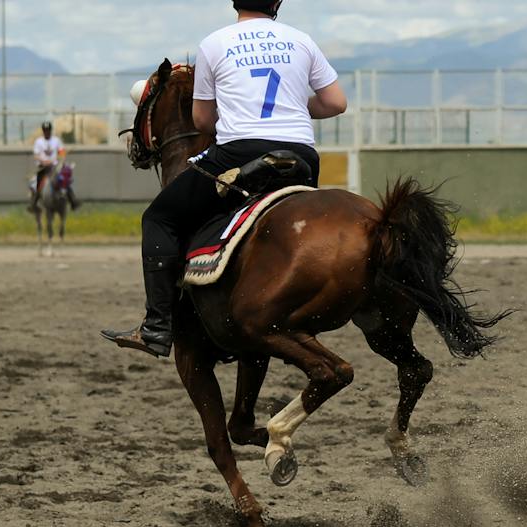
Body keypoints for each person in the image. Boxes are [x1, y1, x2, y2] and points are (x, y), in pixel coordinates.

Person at [101, 0, 347, 358]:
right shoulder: (302, 40)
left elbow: (202, 121)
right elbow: (336, 103)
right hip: (302, 158)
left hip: (240, 154)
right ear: (277, 3)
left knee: (159, 218)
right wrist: (292, 105)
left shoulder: (215, 43)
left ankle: (156, 326)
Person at [30, 121, 81, 212]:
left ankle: (73, 201)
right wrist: (44, 161)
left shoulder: (56, 140)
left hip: (55, 167)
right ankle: (34, 204)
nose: (47, 132)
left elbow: (62, 151)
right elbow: (36, 155)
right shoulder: (39, 141)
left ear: (50, 130)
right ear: (43, 131)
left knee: (64, 181)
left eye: (48, 130)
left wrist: (60, 156)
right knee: (38, 182)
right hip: (43, 167)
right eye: (45, 130)